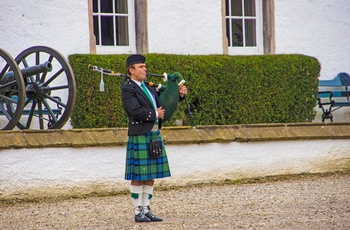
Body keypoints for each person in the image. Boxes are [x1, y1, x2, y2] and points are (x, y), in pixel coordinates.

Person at [121, 54, 187, 222]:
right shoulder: (128, 89)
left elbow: (163, 101)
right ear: (131, 70)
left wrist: (179, 95)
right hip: (140, 134)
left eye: (145, 66)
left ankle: (146, 209)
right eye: (141, 67)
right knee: (138, 176)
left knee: (150, 176)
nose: (145, 69)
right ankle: (137, 211)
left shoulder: (149, 88)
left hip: (154, 134)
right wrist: (154, 114)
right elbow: (134, 110)